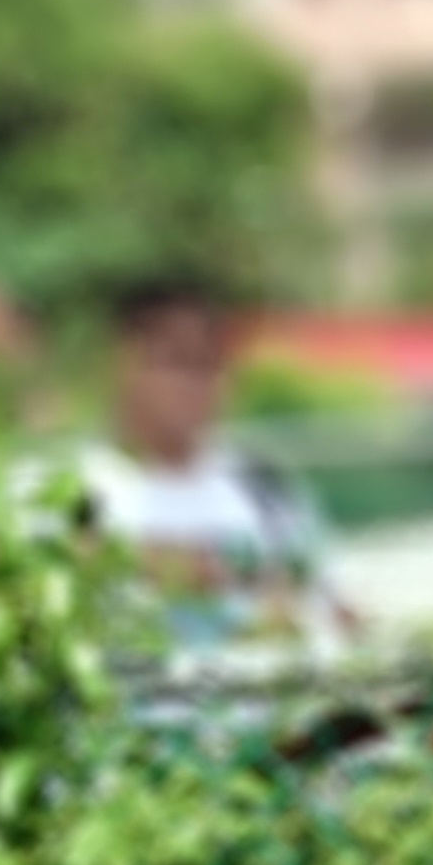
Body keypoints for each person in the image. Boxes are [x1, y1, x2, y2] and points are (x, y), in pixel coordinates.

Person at [71, 276, 340, 650]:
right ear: (122, 363)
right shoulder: (74, 487)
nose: (197, 384)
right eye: (177, 362)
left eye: (211, 364)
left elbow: (326, 600)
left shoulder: (263, 486)